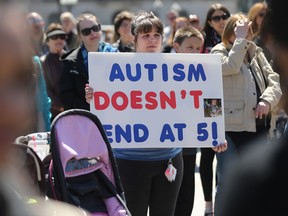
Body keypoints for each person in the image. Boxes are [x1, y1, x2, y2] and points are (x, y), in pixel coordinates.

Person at [85, 12, 228, 216]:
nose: (152, 39)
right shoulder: (113, 69)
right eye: (145, 35)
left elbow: (206, 99)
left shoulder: (180, 67)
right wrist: (94, 95)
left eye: (157, 34)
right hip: (129, 162)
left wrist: (214, 133)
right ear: (134, 40)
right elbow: (108, 108)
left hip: (168, 159)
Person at [216, 1, 288, 214]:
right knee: (228, 182)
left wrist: (266, 100)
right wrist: (240, 41)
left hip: (258, 127)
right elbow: (229, 67)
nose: (246, 33)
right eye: (240, 30)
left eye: (248, 30)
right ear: (230, 31)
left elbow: (274, 80)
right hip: (229, 131)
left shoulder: (255, 52)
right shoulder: (218, 52)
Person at [171, 26, 225, 216]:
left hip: (189, 143)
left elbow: (212, 103)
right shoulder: (162, 70)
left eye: (197, 48)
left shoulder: (205, 72)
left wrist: (215, 132)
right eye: (190, 47)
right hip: (164, 145)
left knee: (187, 193)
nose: (195, 52)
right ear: (176, 47)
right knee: (169, 195)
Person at [198, 4, 231, 215]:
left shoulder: (234, 41)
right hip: (208, 101)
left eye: (225, 16)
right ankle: (208, 203)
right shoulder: (202, 44)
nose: (221, 20)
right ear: (209, 22)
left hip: (228, 102)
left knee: (224, 153)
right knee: (209, 155)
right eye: (216, 17)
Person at [60, 13, 118, 111]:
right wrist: (90, 106)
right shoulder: (70, 62)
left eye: (95, 28)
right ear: (80, 36)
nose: (92, 33)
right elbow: (67, 98)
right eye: (86, 31)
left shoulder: (117, 55)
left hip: (114, 114)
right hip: (85, 119)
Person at [40, 23, 67, 121]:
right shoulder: (43, 62)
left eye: (62, 36)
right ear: (47, 41)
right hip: (53, 113)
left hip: (73, 109)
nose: (59, 40)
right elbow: (45, 88)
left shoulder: (72, 58)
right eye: (54, 37)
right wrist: (60, 105)